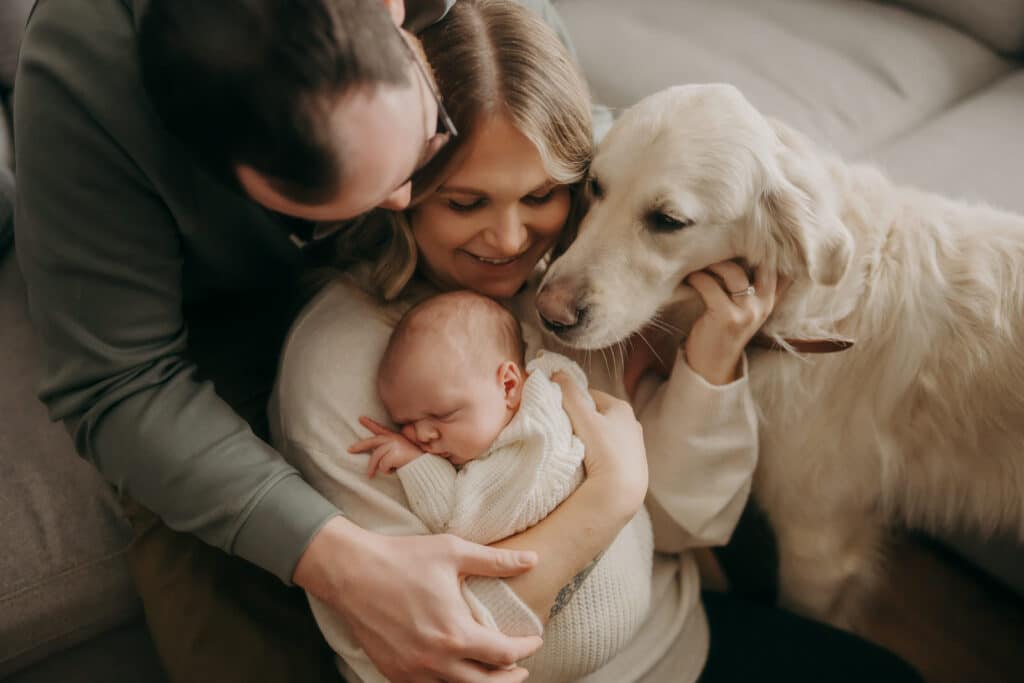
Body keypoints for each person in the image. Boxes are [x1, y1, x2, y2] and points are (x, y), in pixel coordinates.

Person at [271, 0, 924, 681]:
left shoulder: (571, 298)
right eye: (466, 202)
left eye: (540, 196)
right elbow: (430, 656)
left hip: (676, 636)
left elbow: (686, 526)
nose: (511, 240)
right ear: (401, 190)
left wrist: (712, 358)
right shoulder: (339, 362)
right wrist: (610, 493)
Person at [13, 0, 585, 681]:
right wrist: (342, 563)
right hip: (209, 343)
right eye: (337, 206)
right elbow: (119, 381)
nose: (400, 199)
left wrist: (610, 493)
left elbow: (565, 135)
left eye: (429, 140)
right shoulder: (87, 76)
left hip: (434, 290)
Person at [337, 289, 653, 681]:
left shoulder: (532, 442)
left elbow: (464, 523)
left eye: (443, 414)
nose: (423, 435)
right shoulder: (551, 385)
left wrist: (417, 465)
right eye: (405, 423)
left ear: (508, 385)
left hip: (596, 617)